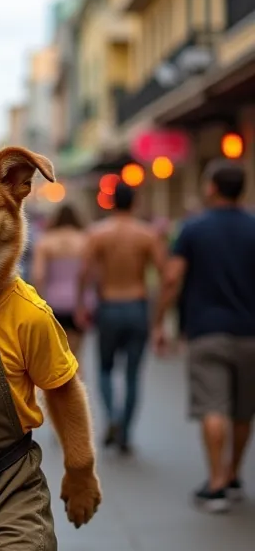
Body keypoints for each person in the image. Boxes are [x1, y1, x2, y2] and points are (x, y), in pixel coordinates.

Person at [153, 160, 255, 513]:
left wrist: (159, 323)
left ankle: (216, 485)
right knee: (244, 411)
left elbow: (171, 279)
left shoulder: (193, 229)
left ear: (212, 187)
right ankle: (232, 475)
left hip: (206, 332)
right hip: (250, 333)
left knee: (213, 406)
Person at [77, 181, 164, 454]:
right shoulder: (147, 235)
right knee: (133, 374)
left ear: (112, 202)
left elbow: (85, 273)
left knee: (105, 368)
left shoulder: (98, 233)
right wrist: (161, 313)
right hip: (137, 305)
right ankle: (125, 431)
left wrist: (81, 304)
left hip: (110, 306)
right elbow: (167, 274)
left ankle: (112, 418)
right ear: (135, 202)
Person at [32, 203, 91, 361]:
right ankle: (78, 384)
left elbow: (38, 275)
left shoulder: (45, 242)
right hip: (80, 304)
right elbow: (90, 274)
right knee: (76, 357)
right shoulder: (85, 241)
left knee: (56, 358)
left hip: (53, 304)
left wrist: (39, 302)